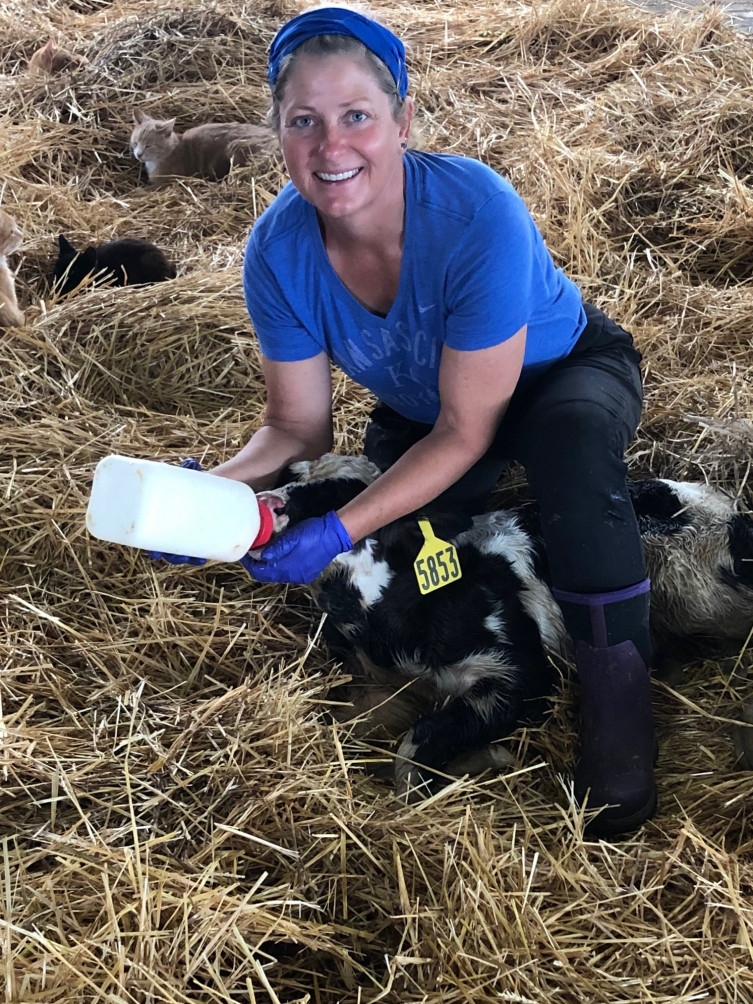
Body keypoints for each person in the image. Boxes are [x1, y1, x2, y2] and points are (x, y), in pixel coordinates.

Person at [199, 6, 655, 836]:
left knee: (575, 464)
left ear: (402, 120)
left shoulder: (475, 211)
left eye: (356, 117)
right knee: (413, 528)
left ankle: (618, 715)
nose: (331, 147)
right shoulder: (277, 251)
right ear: (278, 133)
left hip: (559, 376)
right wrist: (206, 497)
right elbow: (295, 429)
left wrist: (336, 529)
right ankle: (432, 665)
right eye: (303, 121)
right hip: (431, 405)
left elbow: (466, 431)